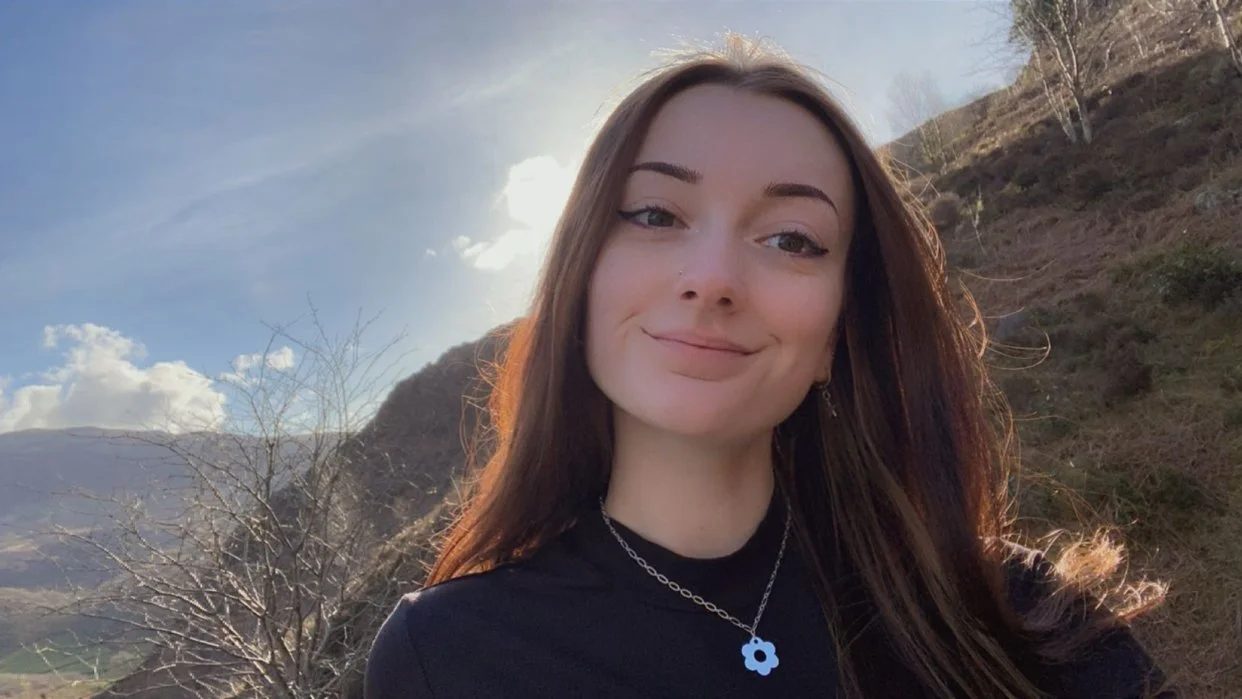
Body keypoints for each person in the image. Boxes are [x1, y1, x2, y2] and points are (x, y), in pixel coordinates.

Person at [364, 35, 1174, 698]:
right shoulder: (445, 658)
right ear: (579, 280)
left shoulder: (1013, 613)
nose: (712, 277)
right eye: (654, 214)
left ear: (836, 333)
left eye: (791, 239)